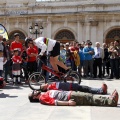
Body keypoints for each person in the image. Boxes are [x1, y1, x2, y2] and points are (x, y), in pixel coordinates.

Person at [28, 89, 119, 107]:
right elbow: (54, 102)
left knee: (88, 96)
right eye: (33, 93)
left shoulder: (43, 94)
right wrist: (68, 103)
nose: (35, 91)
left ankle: (108, 99)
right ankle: (111, 102)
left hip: (69, 93)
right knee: (89, 98)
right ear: (34, 97)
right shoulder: (42, 99)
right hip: (69, 97)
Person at [40, 82, 107, 94]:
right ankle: (101, 90)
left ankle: (100, 89)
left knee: (86, 88)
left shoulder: (50, 86)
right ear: (44, 88)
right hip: (71, 87)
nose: (44, 84)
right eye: (43, 85)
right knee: (87, 89)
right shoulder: (50, 88)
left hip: (71, 85)